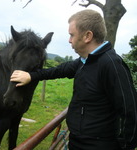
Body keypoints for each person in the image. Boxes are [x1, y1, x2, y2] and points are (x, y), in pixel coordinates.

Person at [10, 9, 137, 150]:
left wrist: (124, 146)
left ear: (87, 36)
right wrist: (31, 76)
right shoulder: (85, 61)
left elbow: (131, 111)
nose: (69, 40)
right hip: (76, 141)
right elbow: (59, 70)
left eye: (72, 35)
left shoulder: (111, 65)